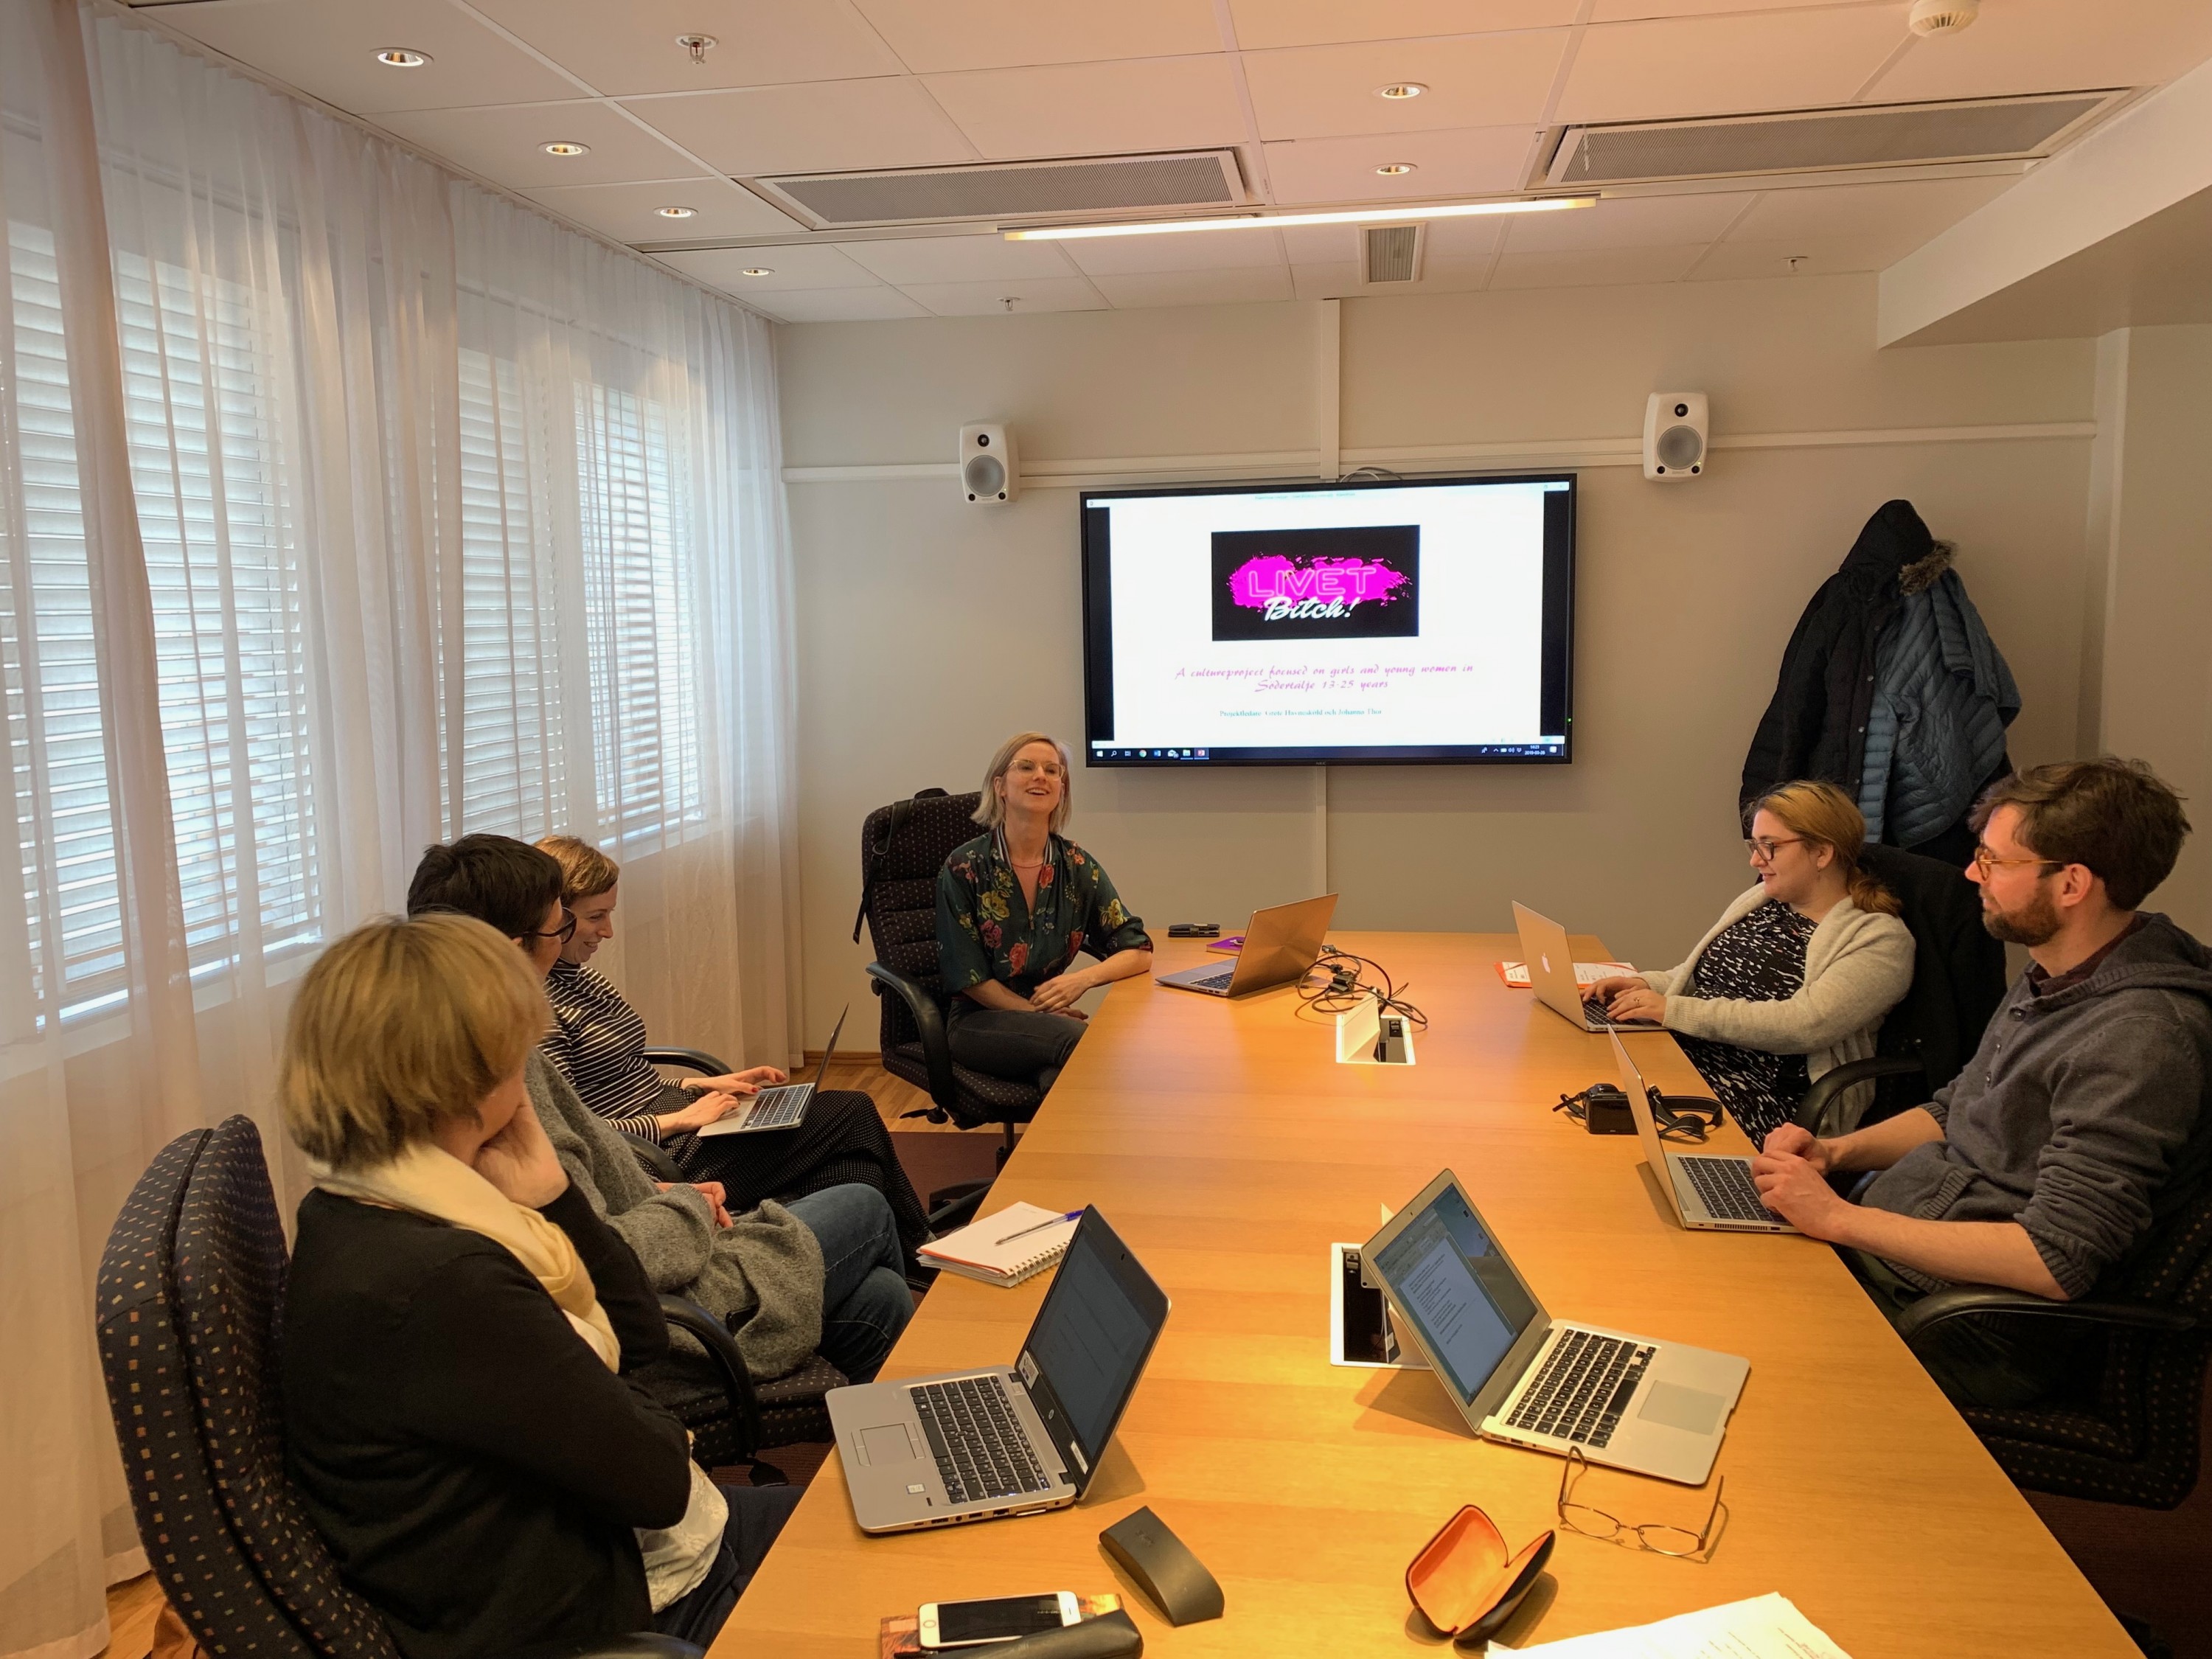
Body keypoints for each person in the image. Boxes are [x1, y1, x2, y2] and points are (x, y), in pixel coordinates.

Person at [278, 912, 801, 1659]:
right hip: (620, 1602)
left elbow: (639, 1338)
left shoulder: (359, 1205)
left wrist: (554, 1196)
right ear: (468, 1080)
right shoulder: (442, 1283)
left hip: (626, 1551)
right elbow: (658, 1479)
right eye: (515, 1055)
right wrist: (619, 1396)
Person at [1753, 758, 2212, 1408]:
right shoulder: (2058, 969)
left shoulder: (2141, 1037)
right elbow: (1956, 1109)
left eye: (1994, 862)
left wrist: (1838, 1218)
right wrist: (1834, 1153)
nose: (1973, 874)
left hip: (1971, 1330)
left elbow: (2053, 1259)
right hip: (1901, 1263)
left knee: (1741, 1350)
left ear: (2072, 884)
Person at [408, 835, 914, 1385]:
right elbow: (600, 1254)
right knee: (862, 1199)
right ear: (511, 951)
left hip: (655, 1229)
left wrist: (674, 1154)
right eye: (563, 927)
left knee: (878, 1294)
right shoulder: (510, 1073)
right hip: (671, 1304)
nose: (591, 935)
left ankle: (886, 1405)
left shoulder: (456, 1060)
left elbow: (587, 1193)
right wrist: (685, 1200)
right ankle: (928, 1284)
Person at [535, 835, 929, 1261]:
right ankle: (923, 1251)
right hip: (652, 1149)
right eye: (596, 917)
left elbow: (628, 1075)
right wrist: (677, 1121)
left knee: (854, 1170)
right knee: (852, 1113)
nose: (608, 931)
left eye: (609, 914)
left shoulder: (582, 977)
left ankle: (879, 1260)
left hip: (681, 1118)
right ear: (556, 917)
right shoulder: (538, 1011)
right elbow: (576, 1133)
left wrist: (703, 1085)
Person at [1589, 780, 1915, 1146]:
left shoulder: (1878, 939)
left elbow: (1805, 1025)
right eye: (1754, 845)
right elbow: (1708, 976)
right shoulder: (1764, 899)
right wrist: (1648, 984)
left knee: (1611, 1136)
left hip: (1766, 1095)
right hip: (1689, 1056)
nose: (1755, 861)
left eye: (1769, 847)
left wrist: (1673, 1010)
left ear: (1822, 853)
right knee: (1588, 1088)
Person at [935, 732, 1152, 1095]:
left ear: (1061, 790)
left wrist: (1081, 980)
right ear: (1000, 786)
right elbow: (971, 979)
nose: (1041, 776)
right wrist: (1041, 1014)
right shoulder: (965, 866)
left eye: (1052, 771)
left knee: (1060, 1083)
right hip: (979, 1023)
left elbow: (1138, 951)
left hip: (1048, 1026)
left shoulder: (1076, 865)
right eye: (1026, 767)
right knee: (1081, 1042)